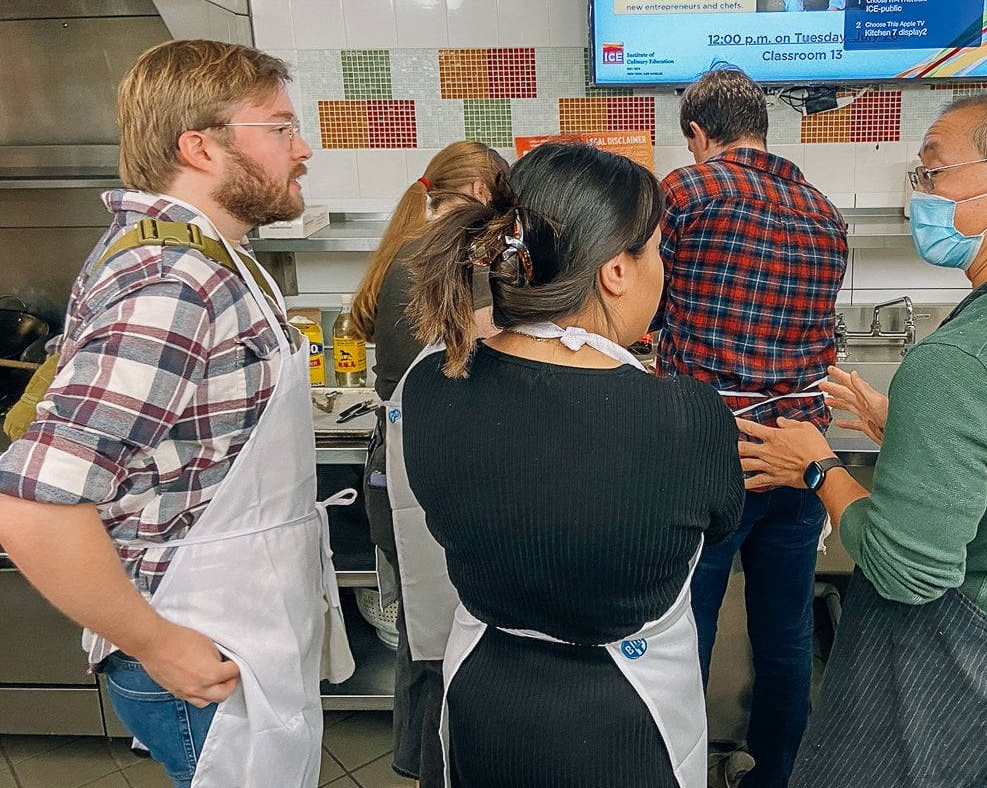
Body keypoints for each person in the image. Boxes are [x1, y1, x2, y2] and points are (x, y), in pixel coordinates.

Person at [737, 93, 987, 788]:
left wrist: (818, 468)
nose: (919, 196)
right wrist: (911, 429)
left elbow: (910, 570)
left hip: (966, 693)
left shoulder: (958, 361)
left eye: (933, 173)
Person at [0, 39, 354, 788]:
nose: (304, 148)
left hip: (236, 620)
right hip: (200, 639)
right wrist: (156, 642)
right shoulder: (174, 283)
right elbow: (32, 506)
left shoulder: (211, 254)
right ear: (199, 146)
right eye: (281, 128)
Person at [398, 139, 744, 788]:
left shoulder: (431, 387)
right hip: (626, 727)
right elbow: (718, 519)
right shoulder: (688, 416)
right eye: (657, 250)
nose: (663, 268)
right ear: (616, 269)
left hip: (483, 701)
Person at [657, 68, 847, 788]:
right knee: (786, 636)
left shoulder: (685, 191)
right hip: (799, 456)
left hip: (712, 454)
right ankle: (775, 777)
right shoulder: (824, 211)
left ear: (698, 134)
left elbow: (644, 306)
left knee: (686, 635)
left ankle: (683, 772)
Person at [350, 140, 509, 787]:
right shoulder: (449, 259)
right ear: (478, 190)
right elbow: (478, 367)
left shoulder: (411, 249)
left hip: (399, 473)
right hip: (427, 474)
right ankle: (432, 768)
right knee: (441, 641)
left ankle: (424, 766)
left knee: (426, 637)